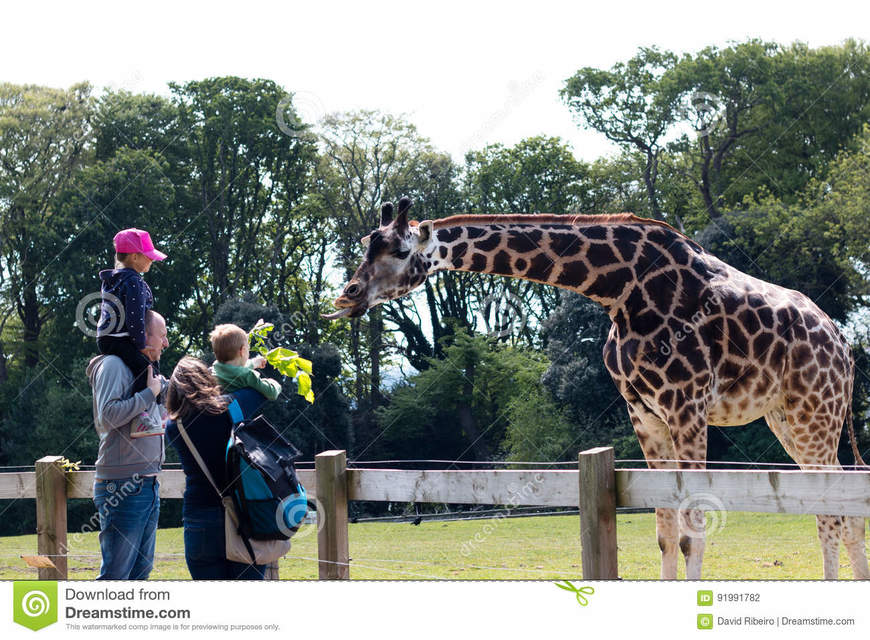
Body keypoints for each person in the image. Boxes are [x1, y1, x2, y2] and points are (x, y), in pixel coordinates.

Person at [165, 356, 267, 580]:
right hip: (243, 514)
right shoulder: (233, 406)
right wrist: (243, 366)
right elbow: (260, 391)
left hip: (200, 518)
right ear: (208, 380)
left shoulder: (174, 426)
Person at [86, 309, 169, 580]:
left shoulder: (143, 370)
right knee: (116, 578)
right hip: (124, 485)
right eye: (163, 335)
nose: (166, 343)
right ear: (143, 335)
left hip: (146, 484)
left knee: (139, 575)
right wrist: (149, 395)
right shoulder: (113, 365)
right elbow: (106, 417)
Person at [96, 228, 167, 401]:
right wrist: (141, 344)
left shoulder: (112, 280)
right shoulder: (133, 281)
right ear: (134, 257)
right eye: (148, 255)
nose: (151, 259)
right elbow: (134, 319)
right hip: (120, 338)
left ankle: (157, 403)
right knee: (145, 369)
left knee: (149, 365)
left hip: (107, 337)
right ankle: (143, 412)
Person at [209, 323, 281, 401]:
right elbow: (271, 393)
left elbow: (234, 369)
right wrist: (275, 384)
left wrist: (254, 363)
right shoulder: (247, 375)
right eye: (248, 347)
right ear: (242, 351)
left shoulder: (214, 369)